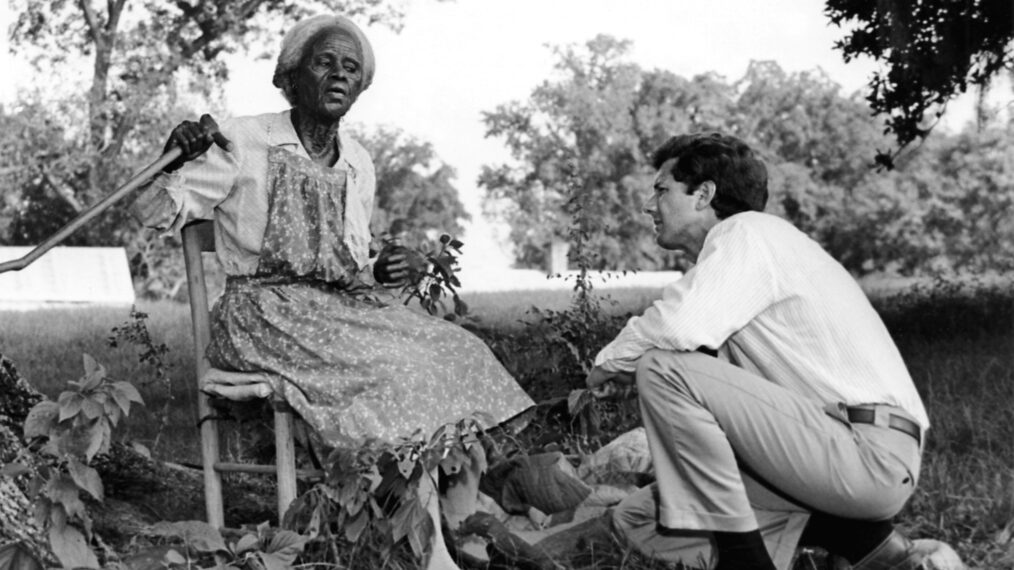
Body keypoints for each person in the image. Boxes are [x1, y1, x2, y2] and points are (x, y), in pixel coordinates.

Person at [131, 14, 534, 569]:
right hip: (263, 314)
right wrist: (171, 155)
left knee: (457, 347)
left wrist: (385, 268)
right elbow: (151, 212)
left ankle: (458, 515)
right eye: (324, 62)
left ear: (360, 88)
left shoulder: (358, 162)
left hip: (336, 310)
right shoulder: (241, 140)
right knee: (393, 372)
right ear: (291, 77)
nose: (338, 75)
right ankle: (425, 544)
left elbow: (348, 262)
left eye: (350, 68)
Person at [585, 133, 933, 570]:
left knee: (662, 367)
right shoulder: (745, 259)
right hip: (826, 455)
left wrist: (605, 366)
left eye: (661, 189)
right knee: (638, 519)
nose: (648, 205)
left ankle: (744, 563)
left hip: (866, 453)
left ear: (704, 194)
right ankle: (866, 545)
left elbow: (674, 326)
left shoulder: (747, 233)